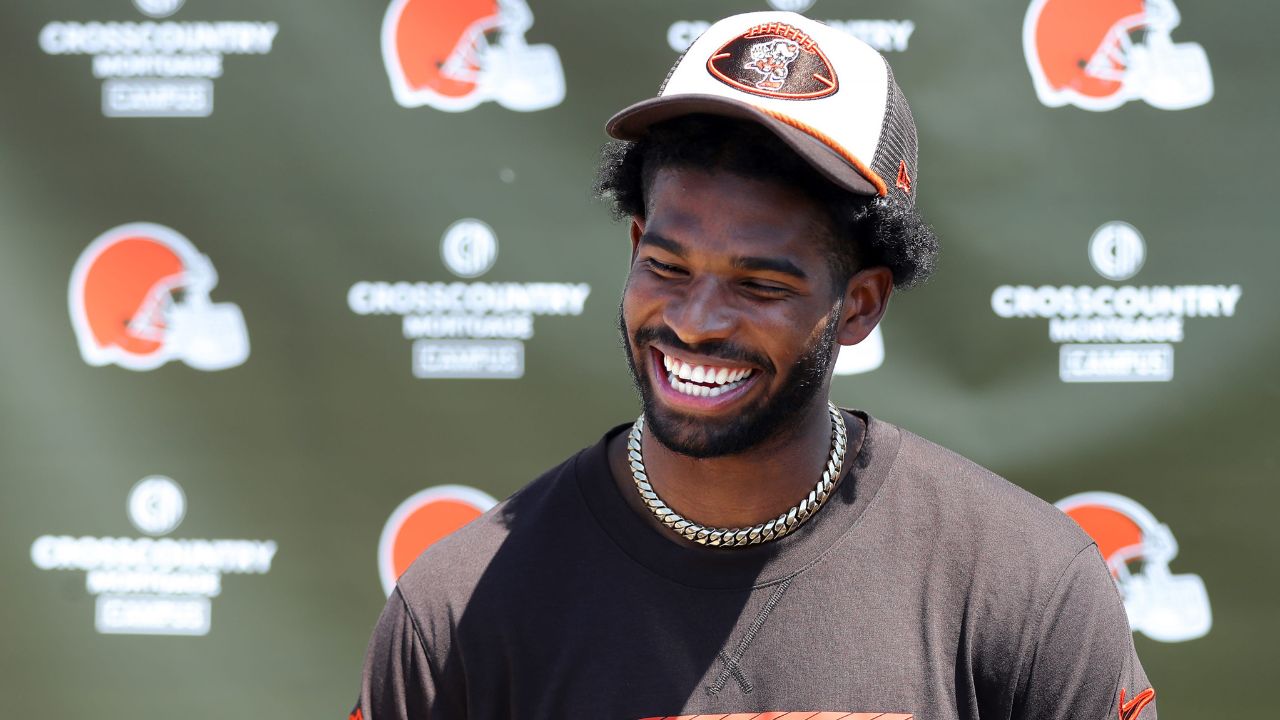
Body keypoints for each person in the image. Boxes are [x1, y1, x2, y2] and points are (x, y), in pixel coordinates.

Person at [352, 11, 1156, 719]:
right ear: (636, 246)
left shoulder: (1022, 583)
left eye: (761, 284)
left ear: (862, 304)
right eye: (668, 266)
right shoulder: (459, 607)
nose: (696, 323)